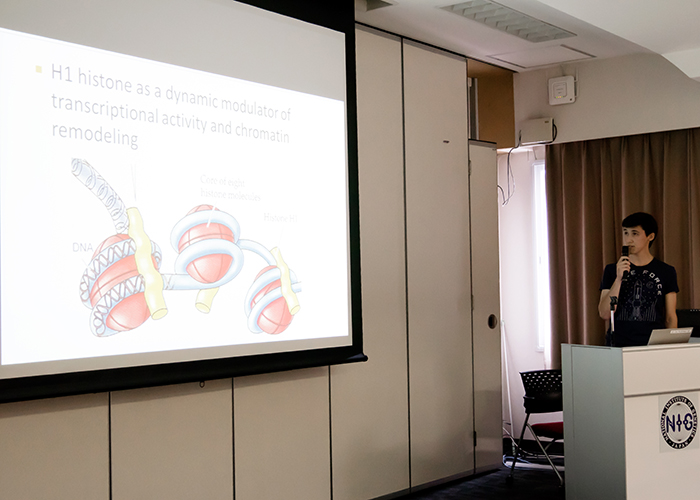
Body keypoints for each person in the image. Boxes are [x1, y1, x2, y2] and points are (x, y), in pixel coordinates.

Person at [598, 212, 678, 347]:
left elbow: (670, 317)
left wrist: (672, 347)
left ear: (650, 236)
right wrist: (618, 279)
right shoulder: (612, 270)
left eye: (635, 234)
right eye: (625, 233)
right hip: (619, 345)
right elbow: (604, 313)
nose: (628, 240)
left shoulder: (666, 271)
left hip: (653, 345)